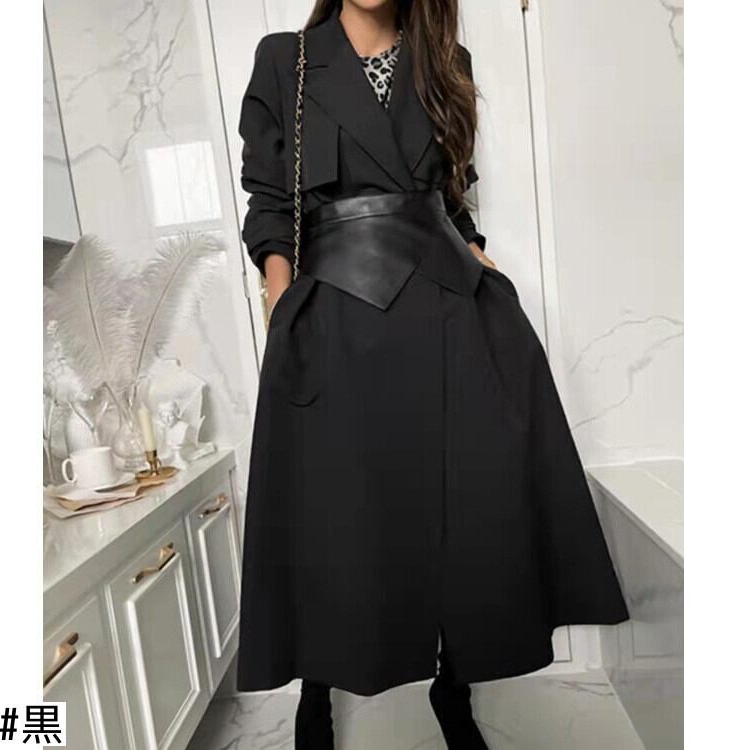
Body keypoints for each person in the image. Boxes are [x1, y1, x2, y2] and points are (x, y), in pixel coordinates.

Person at [236, 1, 629, 747]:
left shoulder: (446, 64)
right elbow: (270, 200)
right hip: (338, 310)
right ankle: (317, 685)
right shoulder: (286, 58)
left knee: (468, 503)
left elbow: (452, 197)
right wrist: (282, 310)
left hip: (449, 306)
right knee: (338, 511)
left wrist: (479, 258)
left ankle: (456, 685)